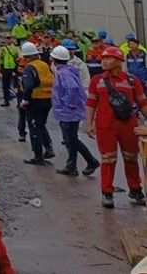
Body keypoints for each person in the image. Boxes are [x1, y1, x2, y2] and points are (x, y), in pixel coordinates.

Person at [87, 45, 147, 208]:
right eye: (103, 58)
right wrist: (89, 123)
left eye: (108, 58)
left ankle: (135, 189)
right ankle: (107, 192)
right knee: (108, 159)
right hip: (106, 126)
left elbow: (142, 103)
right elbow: (91, 103)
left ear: (119, 61)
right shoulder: (96, 81)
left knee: (131, 158)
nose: (104, 61)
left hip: (128, 125)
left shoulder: (132, 81)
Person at [51, 45, 100, 177]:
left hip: (68, 111)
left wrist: (70, 104)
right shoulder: (67, 71)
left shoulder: (63, 73)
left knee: (71, 139)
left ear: (54, 59)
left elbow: (71, 89)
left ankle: (91, 161)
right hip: (68, 111)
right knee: (69, 138)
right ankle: (71, 165)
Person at [20, 42, 56, 165]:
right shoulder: (43, 65)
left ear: (26, 57)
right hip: (48, 99)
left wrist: (25, 99)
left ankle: (38, 155)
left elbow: (29, 85)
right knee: (41, 125)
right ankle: (49, 148)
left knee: (34, 127)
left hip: (35, 100)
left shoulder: (29, 68)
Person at [0, 36, 20, 106]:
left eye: (9, 38)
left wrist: (18, 60)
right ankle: (6, 100)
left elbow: (20, 55)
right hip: (5, 68)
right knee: (5, 86)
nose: (8, 40)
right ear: (5, 39)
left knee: (17, 85)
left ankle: (19, 101)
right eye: (7, 38)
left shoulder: (15, 47)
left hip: (14, 68)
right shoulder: (2, 48)